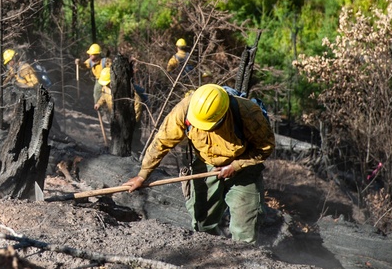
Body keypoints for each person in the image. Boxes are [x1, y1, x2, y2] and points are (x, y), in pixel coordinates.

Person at [123, 84, 274, 245]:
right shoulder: (185, 110)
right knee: (203, 222)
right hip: (206, 164)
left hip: (245, 166)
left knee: (245, 227)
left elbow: (265, 147)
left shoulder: (248, 113)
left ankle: (244, 256)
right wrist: (142, 175)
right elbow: (161, 142)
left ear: (222, 116)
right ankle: (211, 253)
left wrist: (235, 166)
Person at [76, 43, 111, 110]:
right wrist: (79, 63)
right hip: (99, 80)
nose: (90, 55)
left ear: (97, 54)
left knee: (109, 95)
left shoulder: (105, 61)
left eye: (92, 54)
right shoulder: (90, 61)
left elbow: (112, 71)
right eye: (90, 54)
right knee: (97, 94)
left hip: (108, 80)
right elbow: (84, 65)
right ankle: (100, 109)